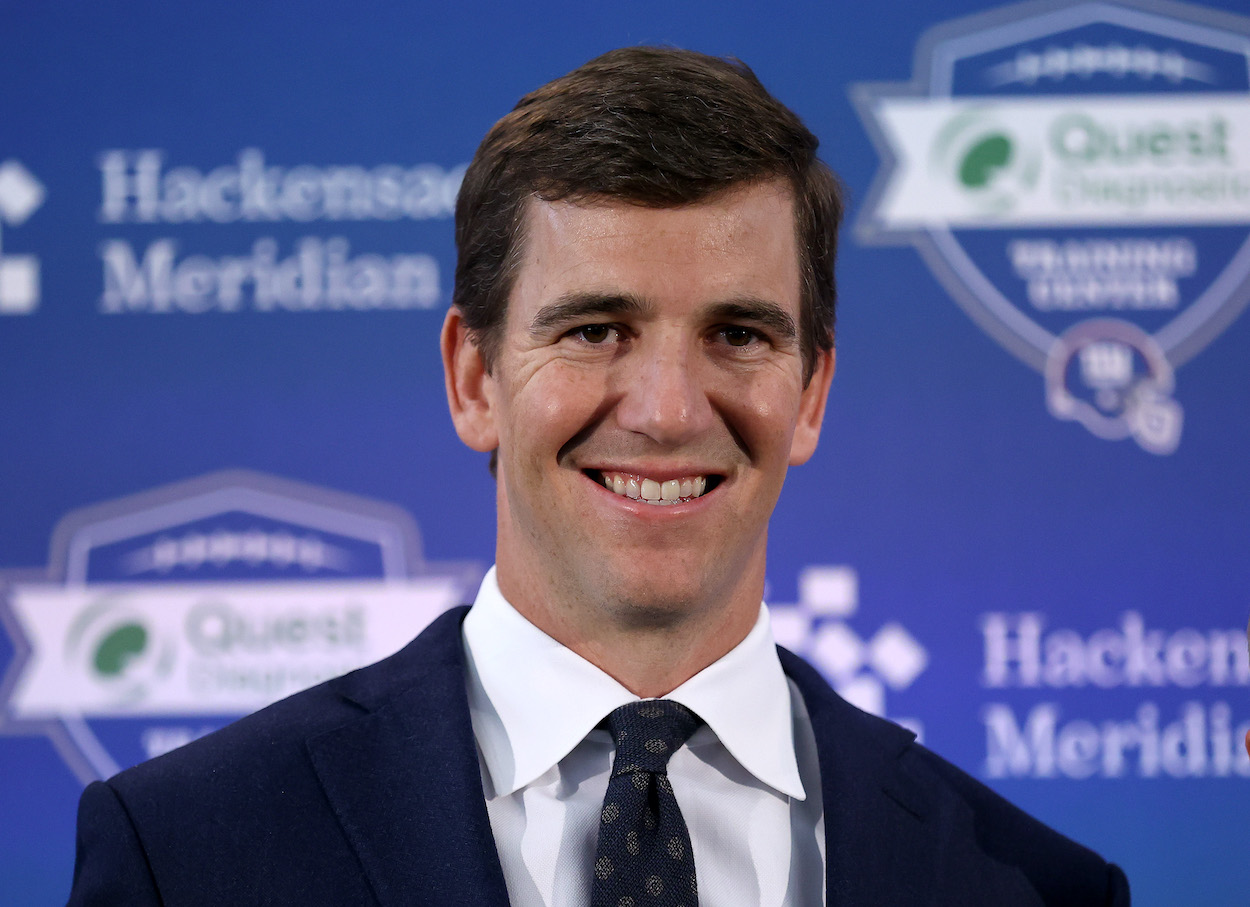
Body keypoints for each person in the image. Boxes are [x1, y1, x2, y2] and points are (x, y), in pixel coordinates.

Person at [67, 47, 1130, 905]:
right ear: (474, 376)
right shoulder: (186, 851)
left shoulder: (1033, 884)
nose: (666, 409)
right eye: (593, 329)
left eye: (739, 334)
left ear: (809, 395)